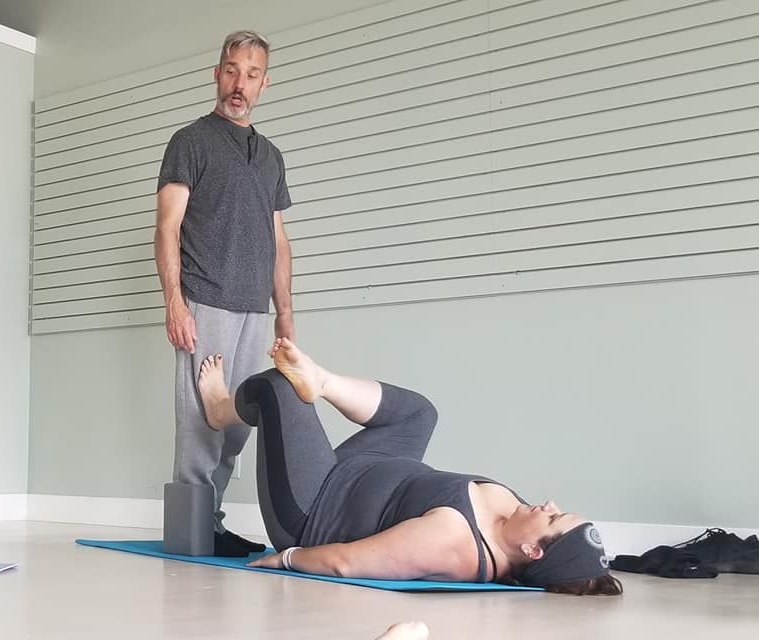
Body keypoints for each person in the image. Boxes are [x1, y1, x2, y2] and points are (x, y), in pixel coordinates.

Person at [194, 338, 623, 595]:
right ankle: (322, 382)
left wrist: (286, 558)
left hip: (316, 504)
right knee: (421, 414)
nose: (547, 503)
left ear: (532, 551)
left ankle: (220, 410)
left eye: (553, 517)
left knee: (278, 388)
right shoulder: (517, 523)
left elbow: (347, 562)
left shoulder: (453, 545)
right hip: (370, 466)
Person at [155, 29, 294, 556]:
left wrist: (285, 315)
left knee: (236, 421)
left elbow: (280, 241)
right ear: (217, 74)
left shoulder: (271, 156)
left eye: (252, 74)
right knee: (198, 423)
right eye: (232, 70)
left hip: (254, 306)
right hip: (205, 296)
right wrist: (174, 301)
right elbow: (167, 225)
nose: (240, 84)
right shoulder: (191, 141)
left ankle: (208, 524)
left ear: (264, 83)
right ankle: (189, 533)